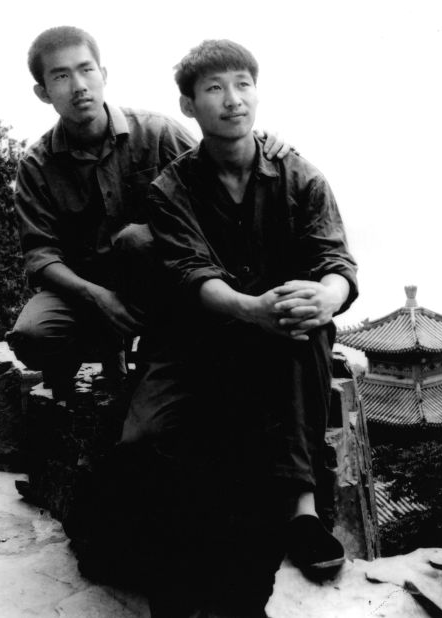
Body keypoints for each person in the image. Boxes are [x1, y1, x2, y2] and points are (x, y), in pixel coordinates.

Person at [120, 39, 358, 605]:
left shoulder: (300, 176)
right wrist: (252, 311)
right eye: (214, 89)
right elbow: (192, 274)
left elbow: (336, 261)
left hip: (279, 331)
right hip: (201, 333)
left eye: (242, 85)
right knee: (143, 440)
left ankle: (303, 511)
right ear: (188, 105)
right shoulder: (171, 189)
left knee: (307, 315)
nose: (232, 100)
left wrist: (328, 296)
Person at [7, 26, 288, 402]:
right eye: (61, 76)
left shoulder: (156, 133)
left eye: (86, 70)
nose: (79, 86)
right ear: (43, 92)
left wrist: (264, 145)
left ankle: (168, 361)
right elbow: (40, 257)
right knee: (34, 336)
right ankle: (76, 373)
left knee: (136, 239)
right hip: (84, 293)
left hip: (161, 285)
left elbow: (219, 174)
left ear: (103, 75)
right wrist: (98, 297)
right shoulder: (36, 166)